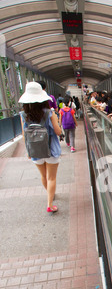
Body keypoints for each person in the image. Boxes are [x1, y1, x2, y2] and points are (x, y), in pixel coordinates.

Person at [19, 82, 62, 213]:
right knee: (52, 178)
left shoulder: (23, 115)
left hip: (35, 151)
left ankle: (50, 195)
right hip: (51, 150)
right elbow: (58, 132)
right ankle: (49, 203)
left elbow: (24, 135)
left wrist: (28, 151)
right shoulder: (49, 113)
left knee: (44, 176)